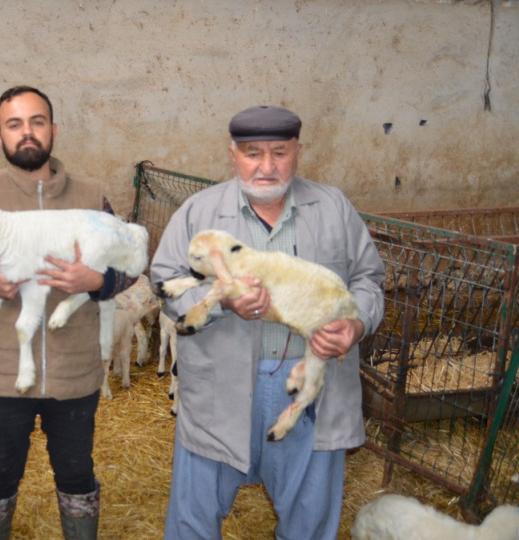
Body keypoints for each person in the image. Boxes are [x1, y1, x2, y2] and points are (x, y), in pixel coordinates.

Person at [151, 105, 385, 539]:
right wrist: (222, 304)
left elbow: (369, 279)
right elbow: (164, 283)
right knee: (193, 521)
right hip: (220, 388)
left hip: (309, 388)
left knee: (308, 521)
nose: (266, 166)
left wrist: (357, 325)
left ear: (298, 152)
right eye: (252, 153)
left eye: (279, 152)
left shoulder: (333, 207)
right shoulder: (199, 212)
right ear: (233, 155)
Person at [0, 86, 135, 540]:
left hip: (73, 369)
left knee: (77, 473)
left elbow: (129, 265)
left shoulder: (91, 196)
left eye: (37, 122)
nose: (27, 132)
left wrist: (98, 282)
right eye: (14, 124)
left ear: (53, 129)